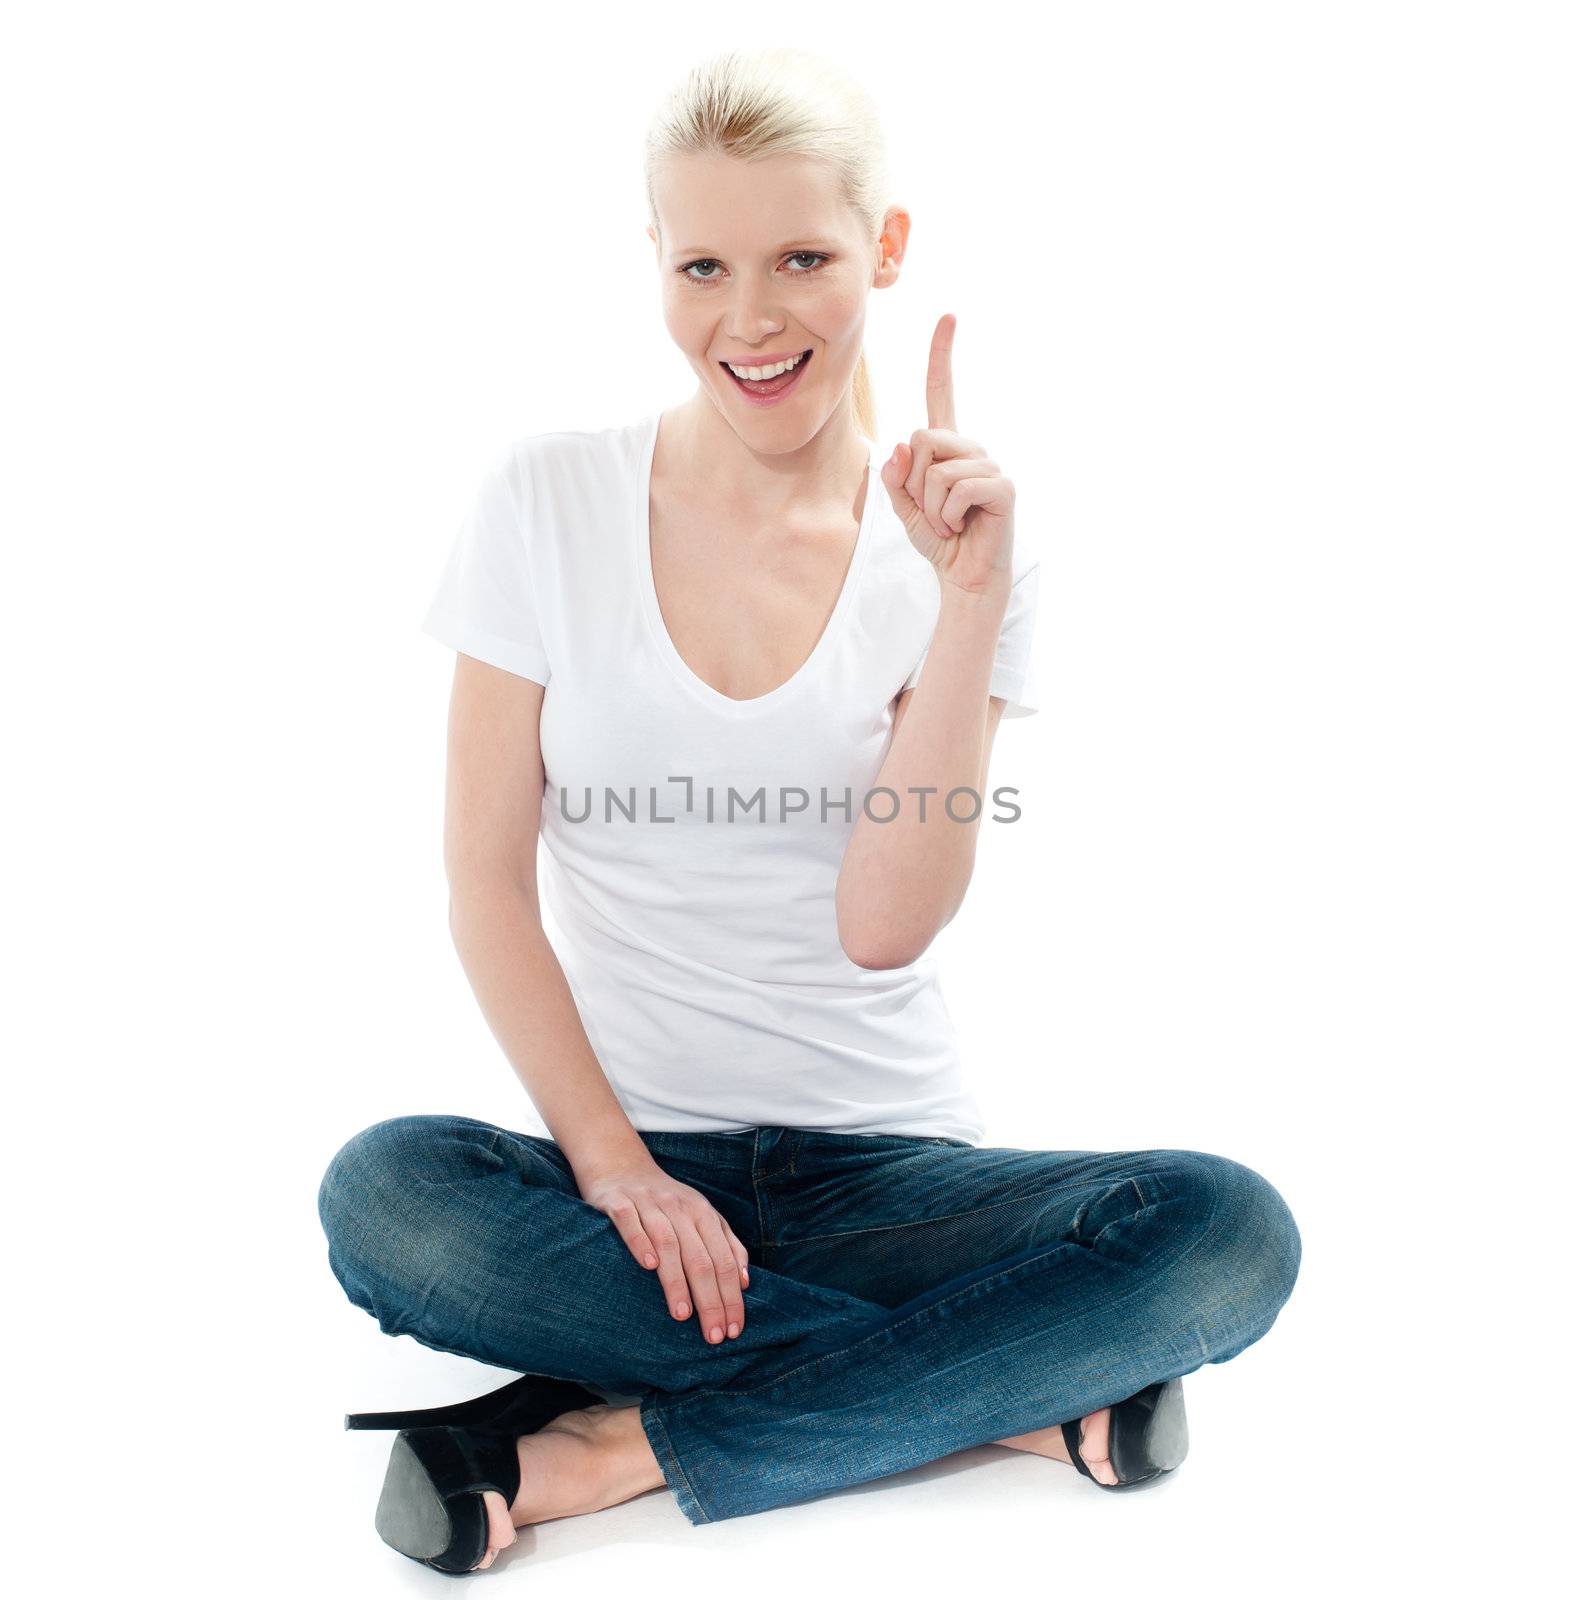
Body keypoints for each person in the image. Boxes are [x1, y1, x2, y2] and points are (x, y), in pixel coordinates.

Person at [316, 45, 1301, 1574]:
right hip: (622, 1177)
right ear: (653, 259)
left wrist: (965, 596)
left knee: (1226, 1231)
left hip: (884, 1173)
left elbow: (882, 925)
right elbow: (485, 891)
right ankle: (993, 1398)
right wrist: (619, 1170)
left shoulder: (965, 547)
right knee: (387, 1197)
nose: (750, 316)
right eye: (702, 262)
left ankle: (613, 1444)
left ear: (884, 252)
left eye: (803, 258)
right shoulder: (542, 499)